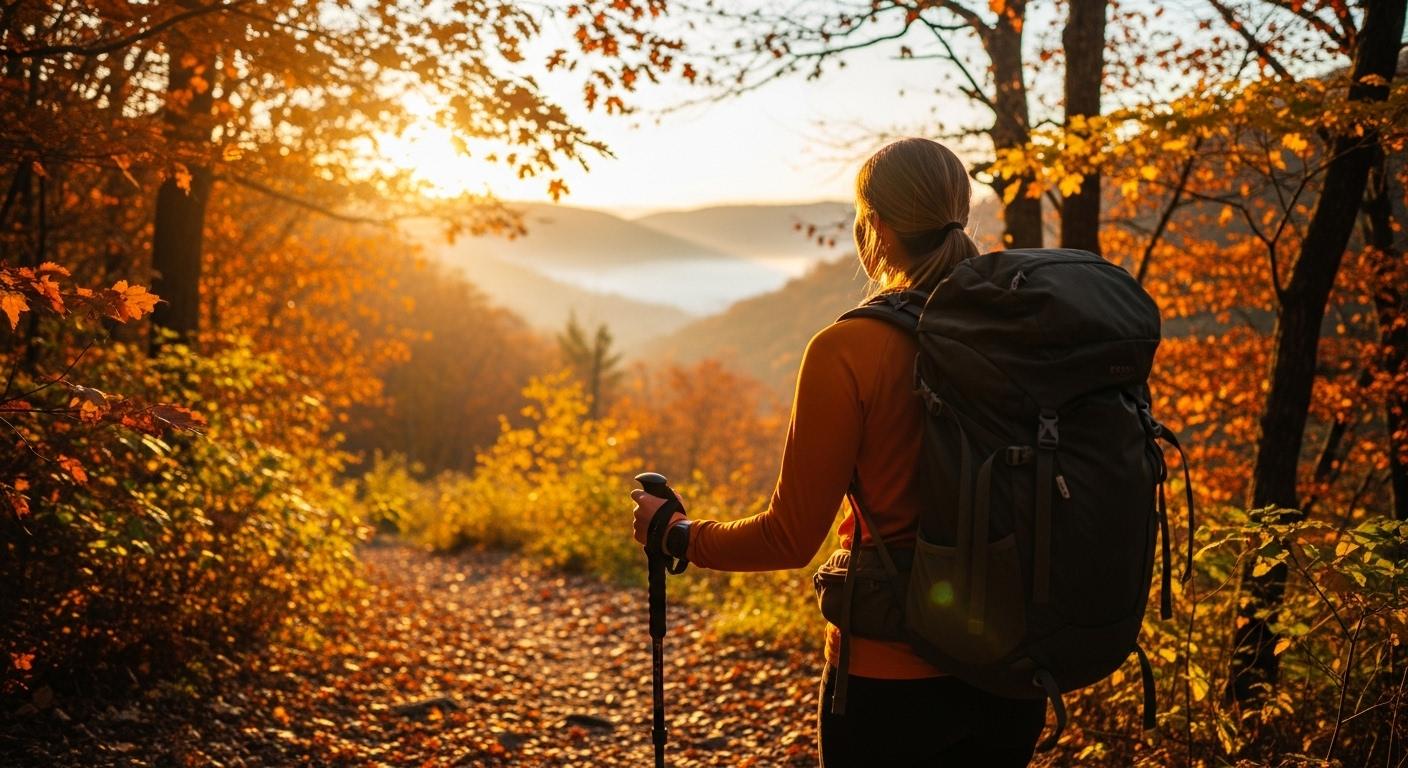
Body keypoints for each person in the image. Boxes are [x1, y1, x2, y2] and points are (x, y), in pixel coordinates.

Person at [629, 137, 1046, 767]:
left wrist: (678, 534)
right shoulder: (1023, 329)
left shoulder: (848, 350)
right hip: (1014, 669)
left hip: (890, 681)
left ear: (874, 226)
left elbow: (790, 539)